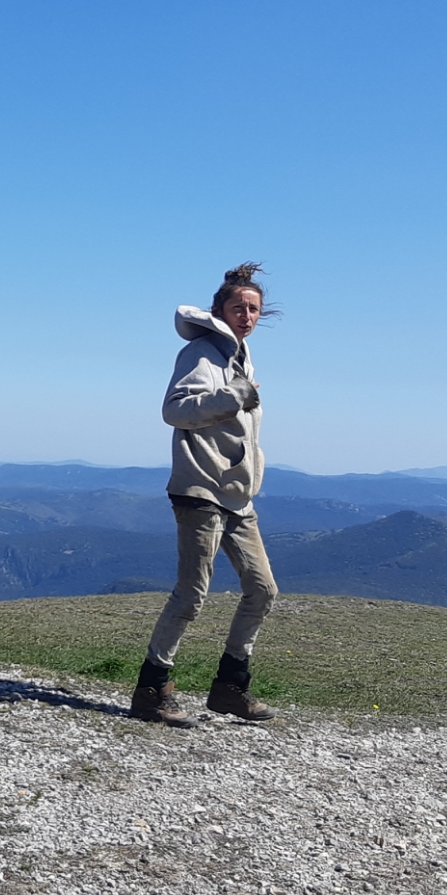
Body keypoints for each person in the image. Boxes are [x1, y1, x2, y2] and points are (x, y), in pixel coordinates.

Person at [132, 263, 280, 727]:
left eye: (254, 309)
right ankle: (152, 690)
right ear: (219, 310)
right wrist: (234, 396)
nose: (247, 316)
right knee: (191, 594)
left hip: (237, 495)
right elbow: (174, 410)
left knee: (262, 589)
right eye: (239, 307)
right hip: (199, 488)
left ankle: (230, 687)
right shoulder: (201, 354)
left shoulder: (239, 357)